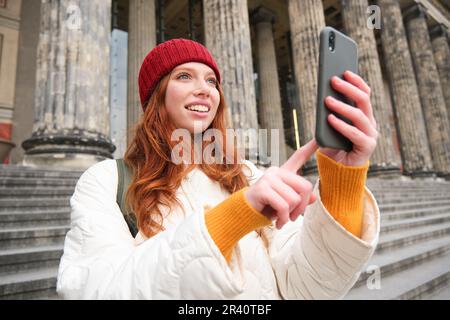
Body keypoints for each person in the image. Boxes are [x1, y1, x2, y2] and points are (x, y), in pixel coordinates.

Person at [56, 38, 380, 299]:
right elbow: (93, 289)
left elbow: (307, 288)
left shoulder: (249, 176)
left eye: (211, 81)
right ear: (157, 95)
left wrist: (342, 184)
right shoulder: (105, 181)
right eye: (184, 76)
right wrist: (234, 217)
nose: (205, 89)